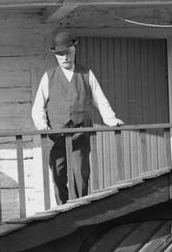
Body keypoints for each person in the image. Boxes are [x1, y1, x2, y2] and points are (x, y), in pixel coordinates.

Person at [32, 31, 124, 204]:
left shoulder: (86, 74)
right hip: (56, 134)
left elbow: (100, 99)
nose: (64, 57)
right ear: (56, 56)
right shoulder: (49, 76)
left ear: (74, 51)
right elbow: (38, 105)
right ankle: (62, 210)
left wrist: (110, 119)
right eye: (60, 54)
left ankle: (80, 209)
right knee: (58, 173)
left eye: (67, 53)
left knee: (80, 174)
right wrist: (41, 123)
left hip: (80, 132)